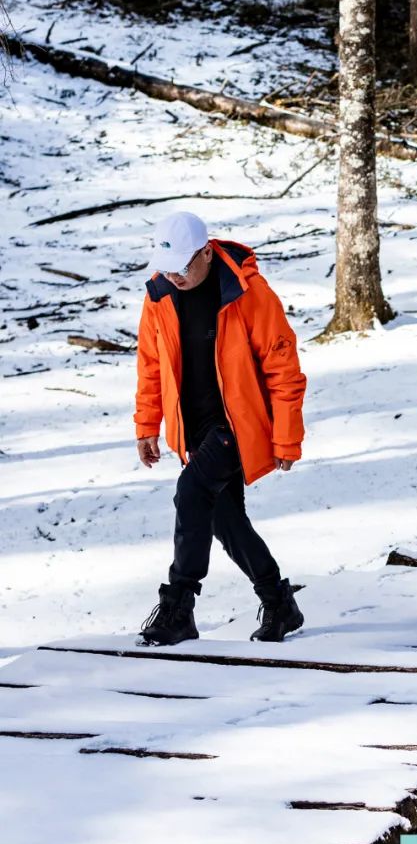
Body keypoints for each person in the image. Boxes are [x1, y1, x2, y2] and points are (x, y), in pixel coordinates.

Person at [133, 210, 307, 645]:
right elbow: (151, 366)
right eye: (166, 267)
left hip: (239, 425)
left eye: (182, 267)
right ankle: (279, 603)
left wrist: (287, 436)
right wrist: (147, 424)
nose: (173, 276)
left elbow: (283, 368)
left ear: (207, 253)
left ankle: (178, 608)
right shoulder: (158, 295)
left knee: (191, 493)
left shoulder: (248, 292)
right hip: (192, 429)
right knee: (226, 521)